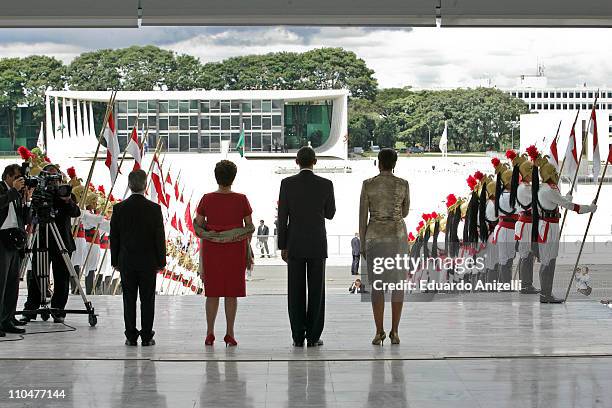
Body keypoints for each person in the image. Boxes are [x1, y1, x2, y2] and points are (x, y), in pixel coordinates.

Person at [278, 147, 335, 347]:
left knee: (295, 291)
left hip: (294, 243)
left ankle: (297, 336)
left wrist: (282, 245)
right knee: (317, 291)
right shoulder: (326, 184)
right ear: (315, 161)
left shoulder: (286, 184)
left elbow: (282, 217)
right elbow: (330, 213)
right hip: (317, 243)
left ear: (296, 161)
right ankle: (313, 336)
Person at [194, 160, 254, 347]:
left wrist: (214, 234)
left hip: (212, 250)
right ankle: (230, 333)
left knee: (212, 293)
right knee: (231, 293)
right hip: (235, 250)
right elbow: (249, 226)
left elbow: (199, 224)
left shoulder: (206, 198)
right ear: (233, 178)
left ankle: (210, 332)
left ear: (216, 177)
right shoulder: (242, 199)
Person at [359, 148, 409, 346]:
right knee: (398, 285)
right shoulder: (403, 184)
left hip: (375, 238)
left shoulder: (368, 185)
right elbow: (404, 212)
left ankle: (378, 331)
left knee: (377, 286)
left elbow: (363, 216)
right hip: (397, 238)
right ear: (394, 164)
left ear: (378, 163)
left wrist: (363, 243)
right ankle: (395, 331)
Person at [110, 169, 166, 346]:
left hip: (126, 261)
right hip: (148, 262)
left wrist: (115, 261)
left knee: (129, 299)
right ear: (145, 185)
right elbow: (159, 237)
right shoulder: (154, 209)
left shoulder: (119, 208)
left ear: (129, 185)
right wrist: (161, 261)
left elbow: (115, 237)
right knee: (147, 299)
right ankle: (147, 336)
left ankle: (131, 336)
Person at [532, 155, 596, 303]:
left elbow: (557, 202)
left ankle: (546, 293)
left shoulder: (545, 188)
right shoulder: (547, 190)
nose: (557, 174)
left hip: (549, 226)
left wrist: (566, 197)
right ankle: (545, 294)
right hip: (549, 228)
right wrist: (589, 208)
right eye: (554, 172)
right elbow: (572, 207)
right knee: (548, 262)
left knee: (550, 261)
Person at [23, 164, 81, 324]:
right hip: (41, 240)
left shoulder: (65, 193)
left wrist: (67, 200)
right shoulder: (39, 195)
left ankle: (58, 310)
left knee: (62, 277)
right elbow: (29, 215)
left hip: (61, 240)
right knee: (36, 275)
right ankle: (31, 309)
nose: (52, 181)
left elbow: (76, 212)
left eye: (55, 177)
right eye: (48, 176)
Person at [0, 164, 30, 336]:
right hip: (1, 237)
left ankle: (8, 319)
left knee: (12, 283)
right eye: (18, 177)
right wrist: (13, 192)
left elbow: (24, 218)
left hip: (14, 239)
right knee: (1, 283)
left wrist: (27, 199)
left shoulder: (17, 194)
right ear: (9, 176)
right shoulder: (2, 188)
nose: (21, 181)